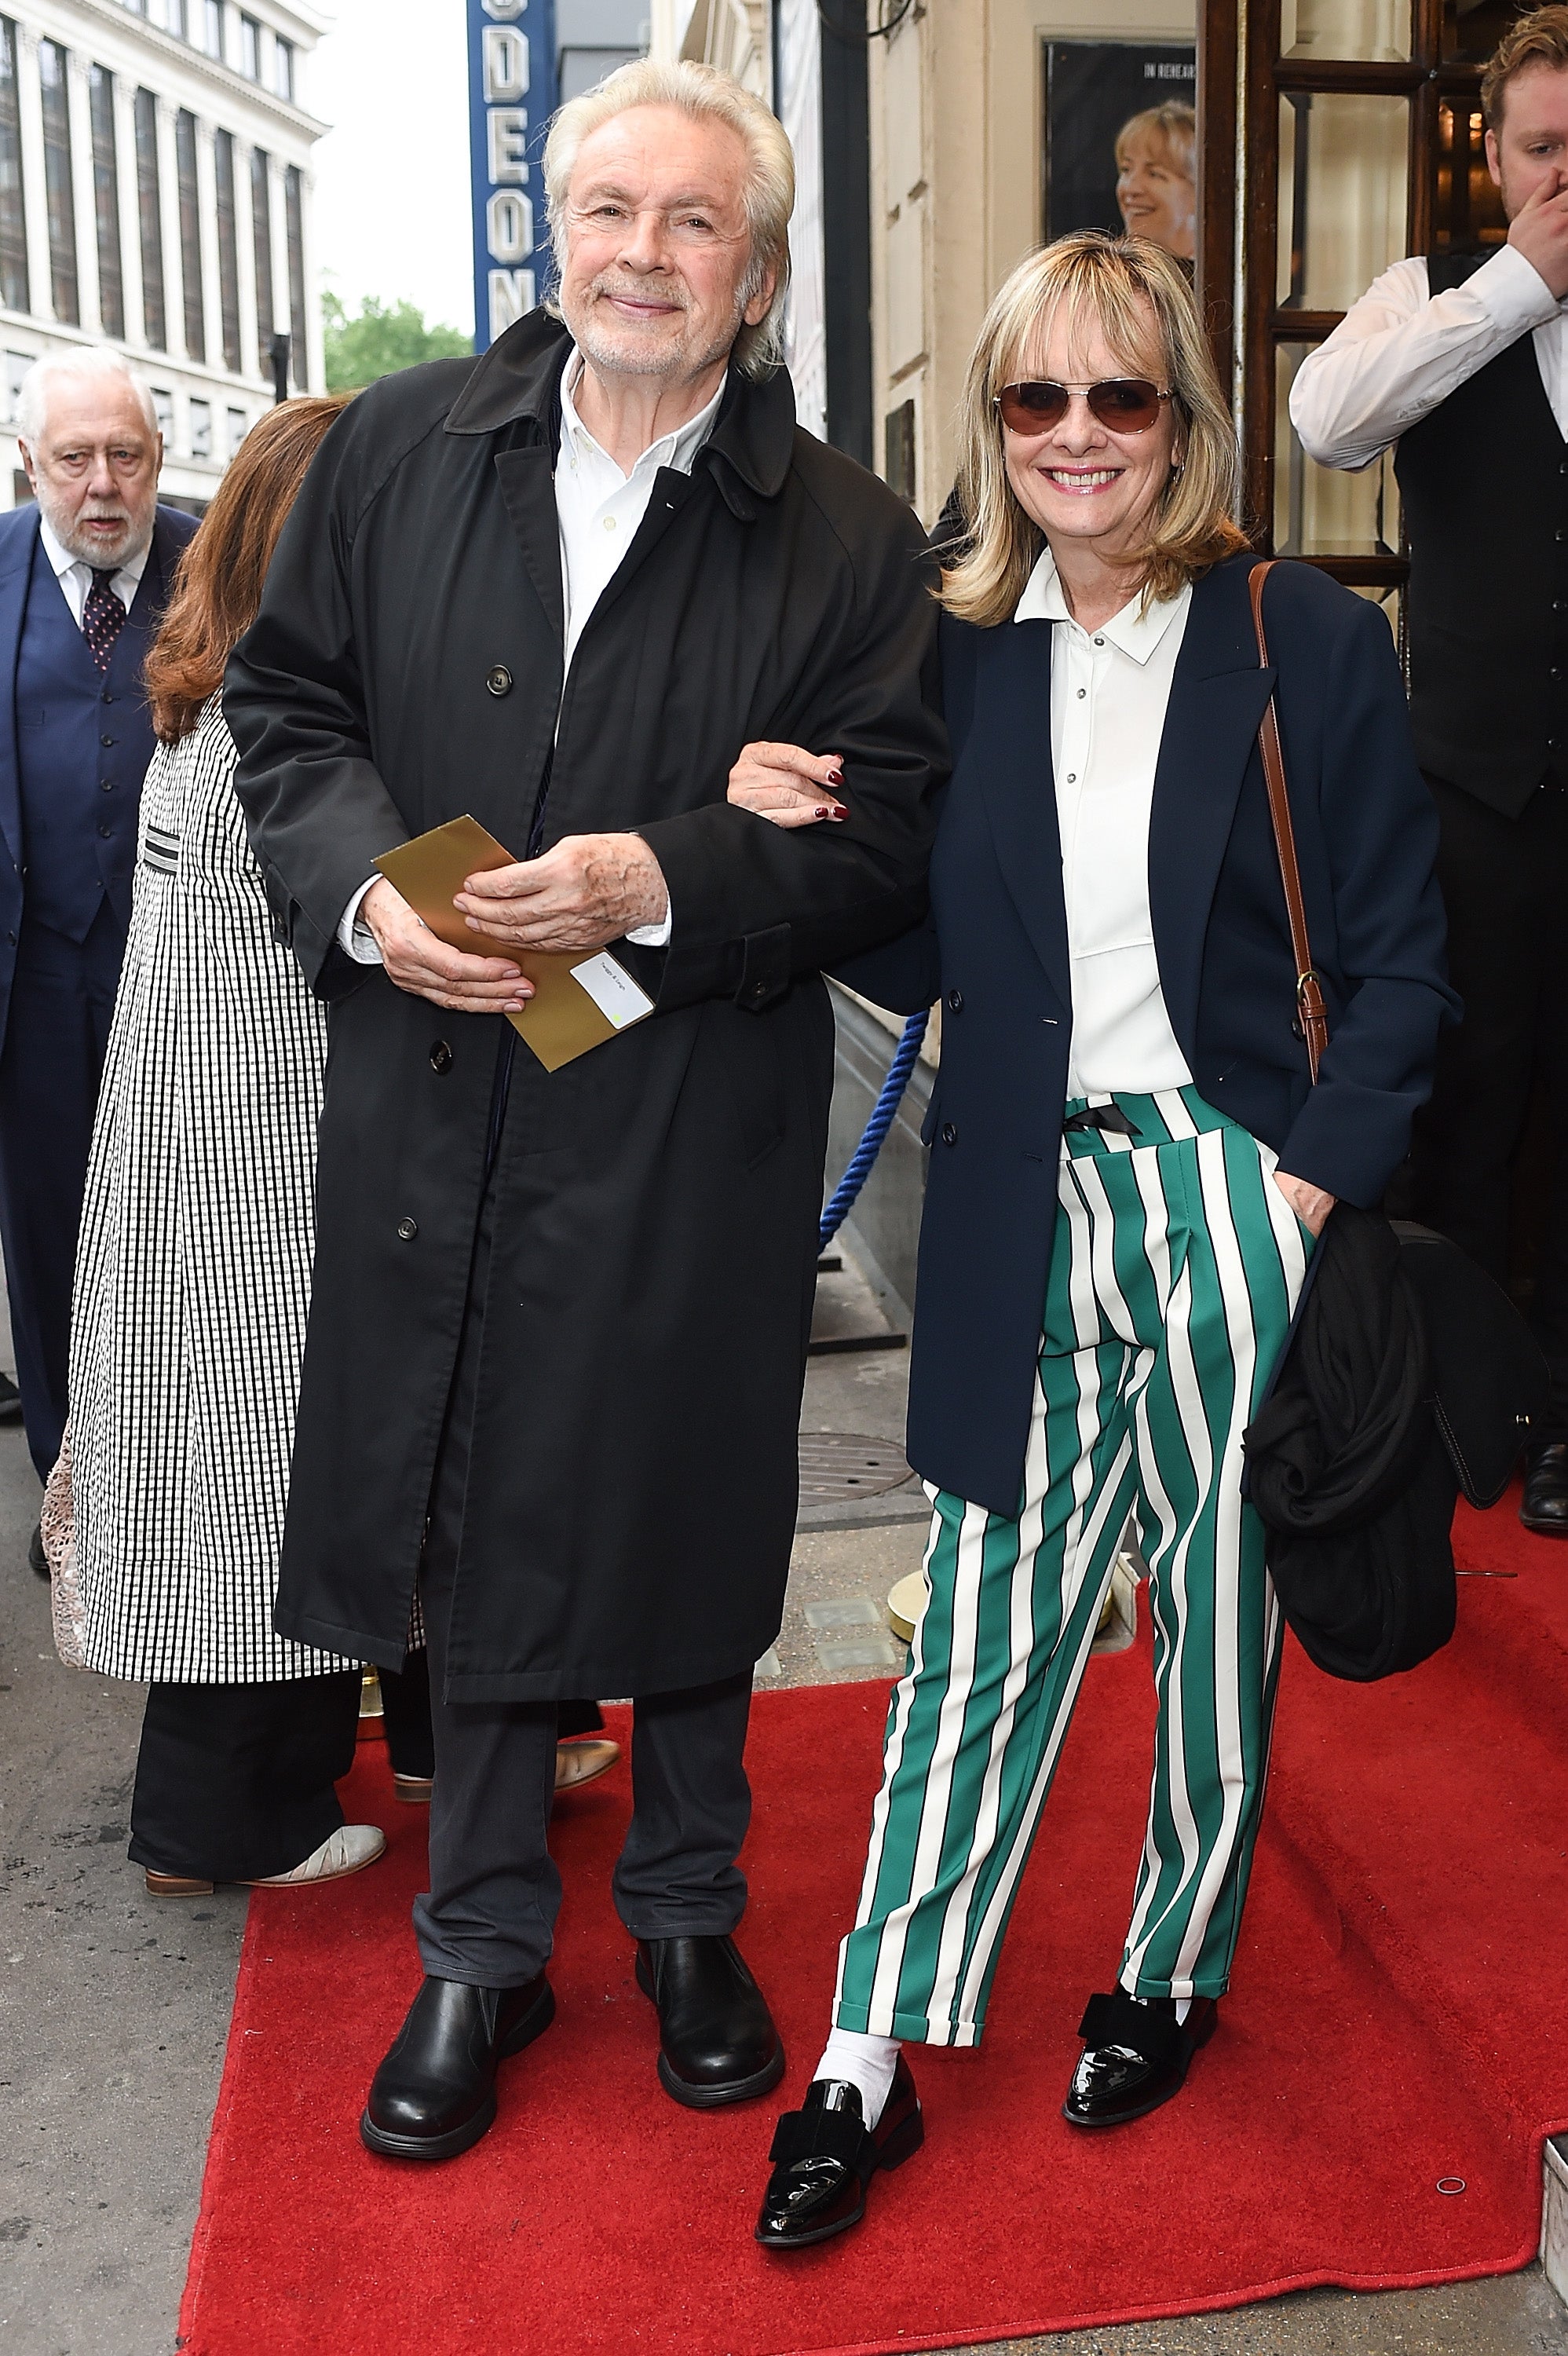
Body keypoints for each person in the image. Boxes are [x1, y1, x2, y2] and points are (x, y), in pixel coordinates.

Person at [224, 57, 945, 2165]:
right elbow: (288, 714)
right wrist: (362, 888)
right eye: (608, 209)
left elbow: (887, 837)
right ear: (558, 232)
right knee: (468, 1510)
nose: (641, 253)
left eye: (691, 222)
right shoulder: (394, 454)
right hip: (438, 1092)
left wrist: (665, 873)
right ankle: (479, 1943)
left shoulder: (840, 533)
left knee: (691, 1513)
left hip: (683, 1107)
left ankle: (688, 1921)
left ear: (758, 272)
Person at [729, 230, 1453, 2248]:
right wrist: (805, 829)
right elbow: (931, 936)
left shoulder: (1302, 636)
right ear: (993, 423)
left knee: (1218, 1623)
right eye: (1033, 400)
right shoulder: (959, 650)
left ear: (1181, 417)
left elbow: (1398, 961)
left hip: (1230, 1184)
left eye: (1116, 397)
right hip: (1018, 1195)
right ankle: (870, 2046)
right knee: (979, 1622)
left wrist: (1302, 1186)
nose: (1074, 437)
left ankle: (1170, 1970)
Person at [61, 393, 393, 1896]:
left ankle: (255, 1800)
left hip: (201, 1166)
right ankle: (221, 1825)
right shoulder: (295, 733)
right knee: (258, 1498)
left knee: (233, 1490)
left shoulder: (215, 697)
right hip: (268, 1180)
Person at [1290, 4, 1568, 1538]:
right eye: (1537, 150)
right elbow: (1321, 424)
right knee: (1452, 1108)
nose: (1559, 179)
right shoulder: (1426, 293)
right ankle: (1465, 1398)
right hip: (1460, 799)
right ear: (1486, 150)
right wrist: (1518, 286)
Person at [0, 350, 197, 1579]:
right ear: (31, 463)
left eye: (124, 454)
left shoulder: (222, 566)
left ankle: (186, 1481)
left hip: (186, 982)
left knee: (183, 1234)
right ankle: (75, 1493)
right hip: (35, 979)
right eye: (75, 458)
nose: (102, 483)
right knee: (52, 1233)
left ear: (156, 459)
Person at [1114, 101, 1196, 266]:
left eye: (1154, 174)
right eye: (1126, 169)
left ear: (1200, 190)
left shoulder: (1220, 282)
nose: (1131, 188)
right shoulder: (1110, 274)